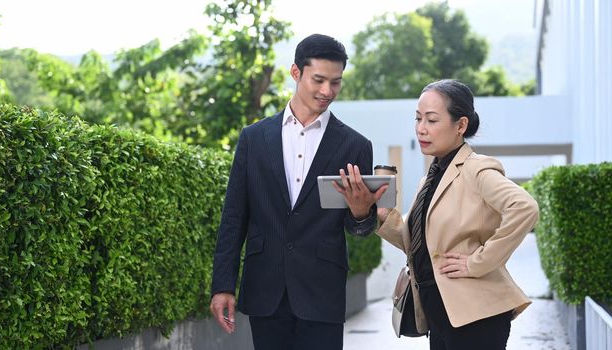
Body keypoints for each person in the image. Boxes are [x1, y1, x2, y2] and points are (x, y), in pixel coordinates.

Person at [209, 34, 386, 350]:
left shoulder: (355, 145)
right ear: (295, 73)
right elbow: (234, 216)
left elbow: (359, 228)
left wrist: (361, 211)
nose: (327, 91)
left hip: (322, 291)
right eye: (318, 80)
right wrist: (222, 285)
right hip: (265, 287)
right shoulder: (254, 138)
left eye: (336, 82)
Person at [377, 79, 539, 350]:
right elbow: (418, 243)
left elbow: (525, 208)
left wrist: (478, 262)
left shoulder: (476, 168)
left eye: (431, 120)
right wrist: (382, 216)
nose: (421, 129)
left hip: (475, 314)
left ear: (460, 125)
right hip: (439, 312)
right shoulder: (430, 177)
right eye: (418, 119)